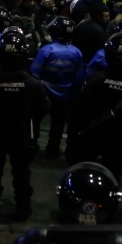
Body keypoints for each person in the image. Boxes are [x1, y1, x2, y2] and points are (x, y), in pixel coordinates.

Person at [0, 32, 49, 221]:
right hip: (21, 135)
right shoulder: (32, 83)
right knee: (22, 175)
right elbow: (43, 108)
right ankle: (23, 209)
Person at [65, 32, 122, 180]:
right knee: (112, 180)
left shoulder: (95, 81)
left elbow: (79, 113)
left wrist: (72, 139)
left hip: (91, 137)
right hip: (118, 141)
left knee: (81, 176)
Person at [30, 16, 84, 159]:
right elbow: (79, 77)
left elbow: (35, 72)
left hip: (44, 94)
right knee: (58, 124)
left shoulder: (46, 50)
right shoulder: (76, 52)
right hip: (65, 95)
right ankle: (53, 149)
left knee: (36, 120)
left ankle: (32, 144)